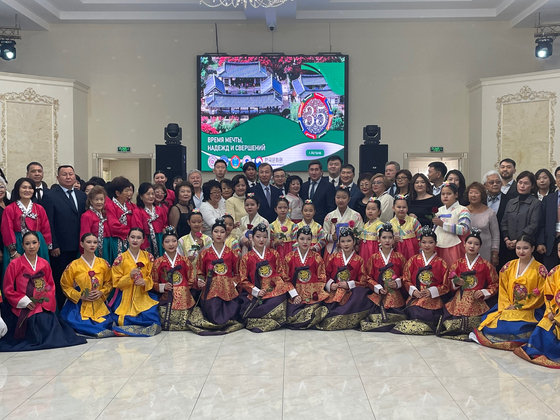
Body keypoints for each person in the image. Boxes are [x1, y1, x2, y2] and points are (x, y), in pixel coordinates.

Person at [0, 231, 87, 351]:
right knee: (35, 321)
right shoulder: (14, 264)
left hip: (41, 304)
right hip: (23, 306)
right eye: (28, 243)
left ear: (39, 244)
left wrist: (43, 299)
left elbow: (50, 285)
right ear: (23, 245)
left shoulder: (44, 263)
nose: (31, 246)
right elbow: (7, 289)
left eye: (34, 243)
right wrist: (24, 301)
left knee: (48, 321)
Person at [471, 234, 546, 350]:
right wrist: (507, 305)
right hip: (507, 306)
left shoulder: (540, 270)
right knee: (490, 322)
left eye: (525, 248)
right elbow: (503, 290)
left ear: (533, 249)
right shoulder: (508, 267)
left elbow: (540, 295)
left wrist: (519, 306)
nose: (521, 251)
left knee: (518, 327)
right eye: (518, 248)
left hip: (529, 308)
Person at [437, 229, 499, 340]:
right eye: (469, 243)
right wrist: (456, 283)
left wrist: (484, 292)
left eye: (476, 244)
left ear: (480, 247)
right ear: (464, 244)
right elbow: (449, 283)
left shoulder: (486, 265)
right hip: (460, 297)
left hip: (477, 298)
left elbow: (494, 284)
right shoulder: (457, 263)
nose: (472, 246)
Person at [188, 218, 244, 335]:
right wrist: (200, 280)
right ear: (211, 233)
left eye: (222, 232)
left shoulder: (232, 253)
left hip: (229, 291)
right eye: (216, 231)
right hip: (210, 290)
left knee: (232, 309)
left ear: (226, 233)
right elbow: (199, 271)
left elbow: (238, 273)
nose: (219, 234)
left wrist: (231, 283)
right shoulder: (204, 253)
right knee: (213, 312)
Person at [42, 166, 87, 310]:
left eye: (71, 174)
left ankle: (78, 310)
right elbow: (48, 221)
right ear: (58, 177)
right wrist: (53, 244)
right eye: (64, 174)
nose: (68, 177)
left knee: (78, 279)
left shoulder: (82, 196)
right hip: (60, 248)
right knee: (62, 280)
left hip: (80, 247)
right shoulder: (50, 195)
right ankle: (62, 311)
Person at [392, 226, 450, 335]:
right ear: (420, 243)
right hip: (416, 297)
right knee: (414, 312)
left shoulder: (442, 263)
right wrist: (414, 291)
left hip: (433, 299)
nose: (427, 245)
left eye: (430, 242)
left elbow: (446, 285)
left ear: (436, 243)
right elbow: (406, 279)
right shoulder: (413, 260)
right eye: (424, 242)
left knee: (431, 315)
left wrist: (432, 291)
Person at [238, 223, 295, 332]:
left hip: (275, 290)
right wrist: (256, 291)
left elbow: (281, 273)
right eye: (258, 236)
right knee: (250, 309)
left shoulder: (274, 254)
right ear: (252, 237)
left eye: (265, 237)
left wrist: (290, 290)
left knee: (280, 300)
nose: (261, 239)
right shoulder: (246, 257)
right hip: (257, 291)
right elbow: (243, 279)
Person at [60, 233, 115, 338]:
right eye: (88, 242)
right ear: (82, 244)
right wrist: (79, 295)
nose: (92, 245)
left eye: (95, 242)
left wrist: (101, 292)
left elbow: (110, 281)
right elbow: (65, 285)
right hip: (80, 304)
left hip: (98, 301)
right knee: (76, 322)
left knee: (105, 321)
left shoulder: (103, 264)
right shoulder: (73, 265)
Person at [515, 240, 560, 368]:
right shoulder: (554, 272)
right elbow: (549, 296)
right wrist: (550, 312)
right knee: (542, 328)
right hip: (555, 313)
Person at [316, 228, 372, 330]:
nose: (346, 244)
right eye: (343, 241)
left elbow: (363, 281)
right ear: (339, 243)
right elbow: (324, 275)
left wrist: (349, 285)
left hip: (351, 293)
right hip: (334, 291)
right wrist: (331, 284)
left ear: (354, 242)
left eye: (349, 241)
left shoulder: (359, 260)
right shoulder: (332, 257)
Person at [110, 228, 162, 336]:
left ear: (143, 240)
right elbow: (116, 282)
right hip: (125, 295)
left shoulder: (148, 257)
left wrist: (145, 281)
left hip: (143, 294)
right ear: (127, 238)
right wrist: (129, 276)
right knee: (123, 318)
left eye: (139, 238)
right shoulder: (120, 258)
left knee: (152, 317)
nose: (135, 240)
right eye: (132, 237)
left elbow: (152, 277)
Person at [361, 223, 407, 332]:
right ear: (379, 239)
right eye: (384, 237)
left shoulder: (399, 257)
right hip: (378, 292)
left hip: (394, 292)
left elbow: (406, 276)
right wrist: (377, 287)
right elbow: (368, 277)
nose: (387, 241)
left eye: (390, 238)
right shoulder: (374, 258)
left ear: (393, 239)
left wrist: (397, 282)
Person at [2, 178, 52, 275]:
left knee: (39, 273)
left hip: (37, 243)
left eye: (30, 188)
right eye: (24, 187)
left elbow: (46, 228)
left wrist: (46, 246)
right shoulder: (10, 209)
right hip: (18, 242)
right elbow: (7, 229)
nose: (27, 190)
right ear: (18, 189)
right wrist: (13, 251)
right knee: (17, 273)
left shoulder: (39, 208)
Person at [151, 226, 196, 331]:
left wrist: (182, 289)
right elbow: (153, 282)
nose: (171, 244)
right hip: (166, 298)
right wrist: (163, 287)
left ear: (177, 243)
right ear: (162, 244)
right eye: (167, 241)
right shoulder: (158, 262)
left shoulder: (185, 260)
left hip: (184, 298)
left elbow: (191, 279)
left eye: (174, 241)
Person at [284, 226, 329, 329]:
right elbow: (284, 279)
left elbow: (322, 278)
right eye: (302, 239)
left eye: (308, 239)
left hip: (313, 295)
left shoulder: (317, 257)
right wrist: (294, 295)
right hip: (296, 295)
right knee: (291, 315)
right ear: (297, 240)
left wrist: (313, 293)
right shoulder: (289, 258)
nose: (305, 242)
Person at [501, 171, 541, 264]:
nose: (522, 186)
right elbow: (504, 222)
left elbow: (533, 225)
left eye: (526, 183)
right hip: (508, 245)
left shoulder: (536, 203)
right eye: (520, 182)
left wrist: (517, 241)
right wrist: (506, 239)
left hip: (526, 246)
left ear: (532, 186)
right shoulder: (511, 202)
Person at [432, 182, 471, 267]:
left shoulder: (463, 210)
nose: (445, 196)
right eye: (443, 194)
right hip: (438, 245)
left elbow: (464, 229)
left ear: (456, 194)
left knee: (453, 270)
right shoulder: (439, 210)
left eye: (449, 194)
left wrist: (443, 225)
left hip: (455, 246)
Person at [80, 186, 116, 264]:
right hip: (93, 247)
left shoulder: (105, 215)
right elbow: (84, 235)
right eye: (96, 199)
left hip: (107, 246)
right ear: (91, 201)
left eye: (101, 199)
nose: (99, 202)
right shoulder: (87, 215)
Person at [323, 186, 364, 255]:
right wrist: (332, 237)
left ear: (349, 199)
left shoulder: (356, 215)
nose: (340, 200)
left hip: (350, 249)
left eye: (344, 197)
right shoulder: (329, 216)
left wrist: (350, 241)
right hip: (333, 249)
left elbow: (360, 233)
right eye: (338, 197)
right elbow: (324, 234)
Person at [466, 182, 500, 265]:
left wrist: (495, 254)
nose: (473, 195)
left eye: (476, 193)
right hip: (466, 251)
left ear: (482, 195)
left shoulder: (490, 213)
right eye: (471, 193)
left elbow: (495, 235)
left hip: (486, 252)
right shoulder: (462, 211)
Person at [483, 170, 511, 269]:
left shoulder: (510, 200)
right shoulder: (480, 200)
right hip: (483, 241)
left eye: (498, 182)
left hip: (504, 241)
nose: (495, 184)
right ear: (485, 185)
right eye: (491, 182)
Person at [133, 182, 168, 258]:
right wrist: (144, 245)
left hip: (160, 239)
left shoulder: (160, 210)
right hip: (146, 239)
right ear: (141, 197)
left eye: (153, 194)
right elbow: (138, 229)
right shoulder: (138, 211)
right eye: (148, 194)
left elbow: (165, 224)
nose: (151, 196)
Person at [538, 166, 560, 270]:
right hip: (550, 243)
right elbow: (541, 223)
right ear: (555, 180)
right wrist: (541, 242)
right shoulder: (548, 199)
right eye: (559, 176)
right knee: (550, 274)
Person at [300, 160, 336, 224]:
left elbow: (331, 207)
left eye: (316, 170)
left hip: (322, 223)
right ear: (308, 171)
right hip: (305, 222)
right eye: (311, 170)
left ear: (321, 171)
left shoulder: (328, 186)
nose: (314, 172)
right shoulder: (304, 186)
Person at [105, 176, 134, 255]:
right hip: (116, 241)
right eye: (126, 191)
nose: (129, 193)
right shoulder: (110, 206)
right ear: (117, 193)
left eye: (130, 190)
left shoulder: (129, 206)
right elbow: (113, 225)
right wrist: (131, 232)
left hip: (129, 240)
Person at [390, 195, 422, 260]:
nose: (401, 209)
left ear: (407, 208)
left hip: (413, 253)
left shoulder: (414, 221)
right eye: (398, 207)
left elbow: (421, 239)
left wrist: (421, 254)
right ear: (393, 208)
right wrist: (393, 242)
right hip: (396, 254)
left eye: (404, 207)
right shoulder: (390, 224)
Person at [359, 198, 383, 263]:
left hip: (373, 249)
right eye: (368, 209)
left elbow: (381, 242)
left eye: (373, 209)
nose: (370, 211)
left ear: (379, 212)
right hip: (363, 249)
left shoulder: (380, 225)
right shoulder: (365, 225)